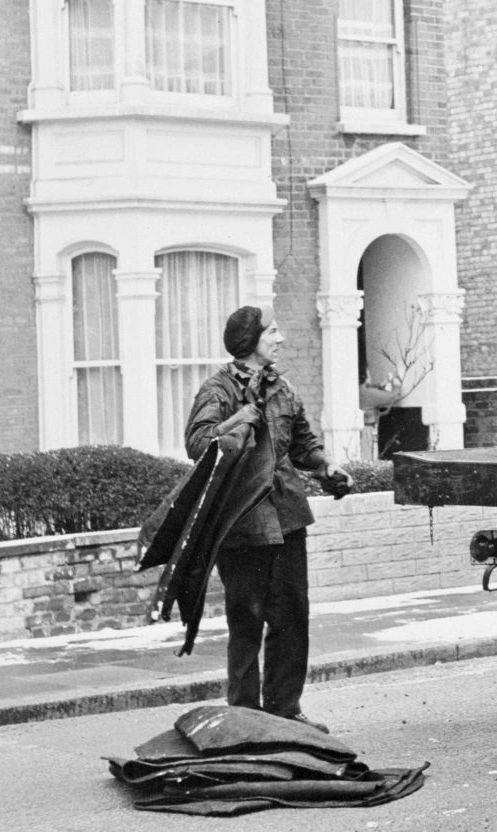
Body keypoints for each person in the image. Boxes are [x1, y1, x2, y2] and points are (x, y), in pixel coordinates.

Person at [184, 306, 353, 733]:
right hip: (241, 524)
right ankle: (244, 714)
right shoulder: (218, 390)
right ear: (250, 341)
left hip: (288, 518)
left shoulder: (283, 389)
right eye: (273, 331)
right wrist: (240, 417)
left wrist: (324, 467)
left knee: (292, 616)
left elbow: (302, 443)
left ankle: (285, 712)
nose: (280, 339)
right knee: (247, 618)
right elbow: (198, 443)